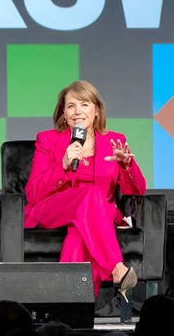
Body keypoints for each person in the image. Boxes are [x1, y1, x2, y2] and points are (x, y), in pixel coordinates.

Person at [24, 80, 146, 298]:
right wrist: (62, 165)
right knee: (89, 195)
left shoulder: (115, 141)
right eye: (71, 106)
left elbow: (137, 190)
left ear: (97, 111)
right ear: (63, 112)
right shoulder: (48, 140)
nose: (77, 111)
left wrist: (127, 166)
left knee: (79, 234)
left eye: (84, 105)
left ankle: (70, 308)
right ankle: (116, 267)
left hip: (96, 215)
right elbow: (32, 193)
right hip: (55, 209)